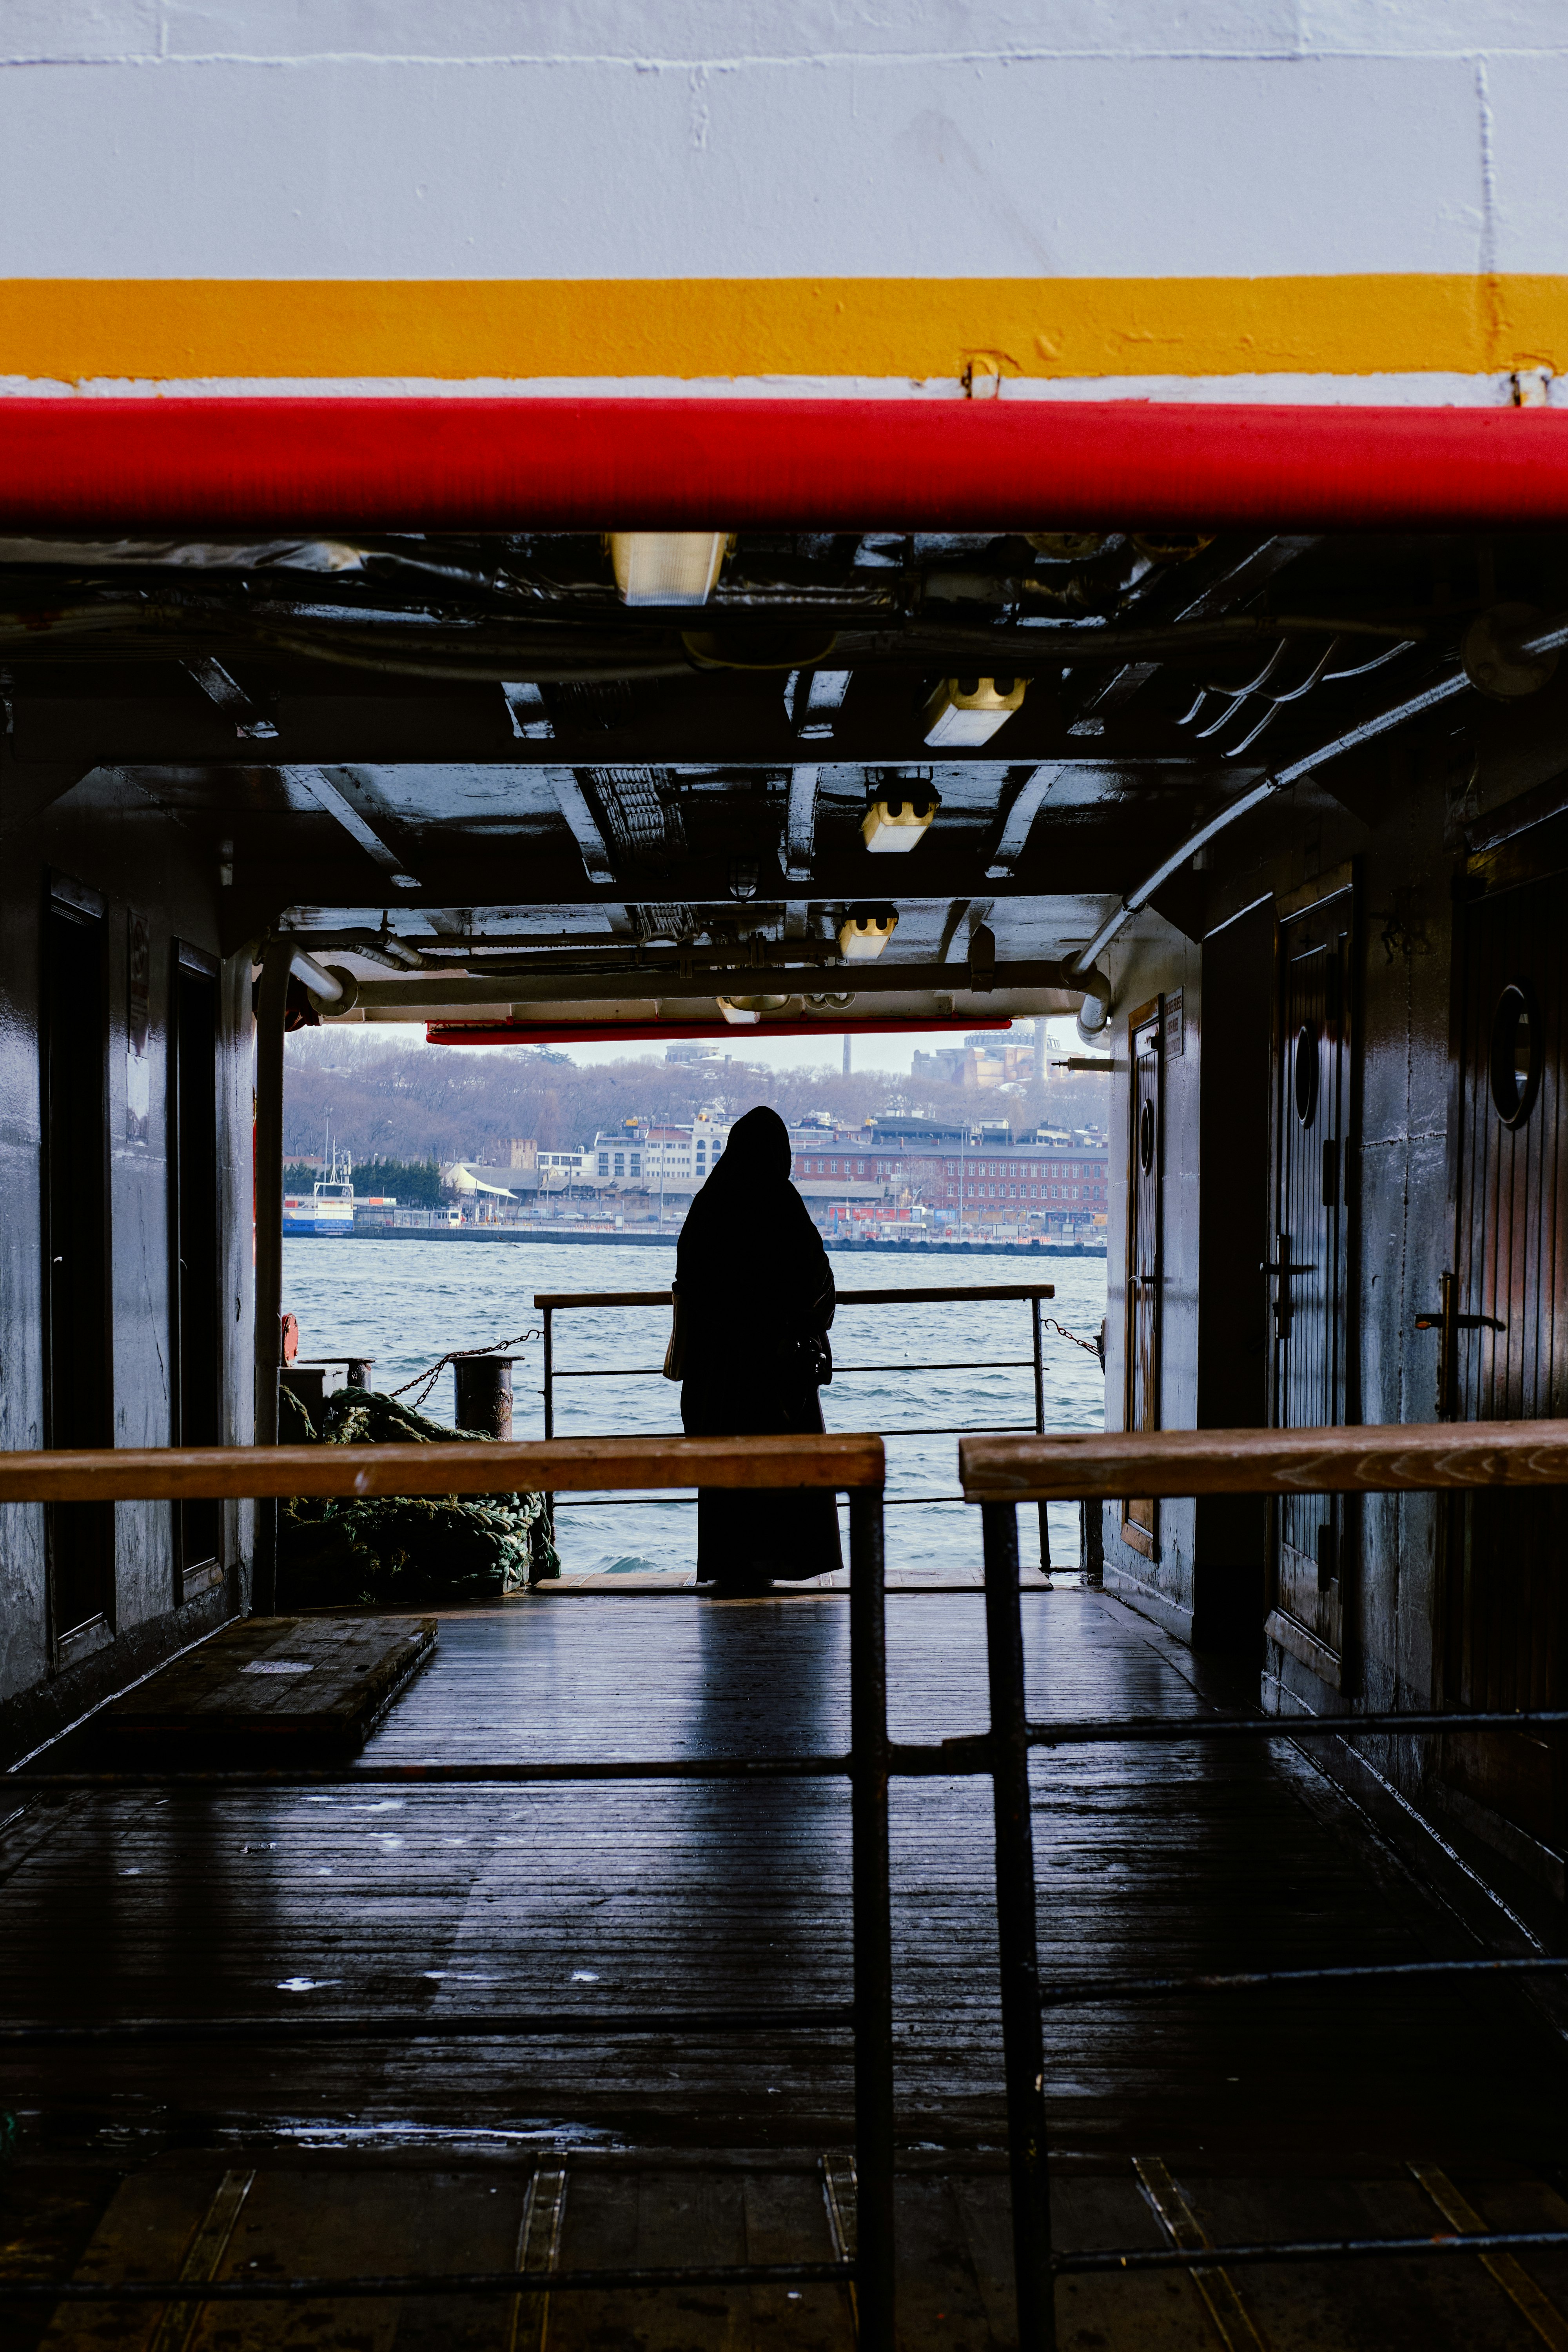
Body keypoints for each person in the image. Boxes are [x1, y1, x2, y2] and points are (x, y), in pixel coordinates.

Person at [676, 1104, 841, 1592]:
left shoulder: (710, 1201)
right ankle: (776, 1560)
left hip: (716, 1369)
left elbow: (690, 1279)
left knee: (726, 1471)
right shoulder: (779, 1200)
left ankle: (731, 1564)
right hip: (776, 1367)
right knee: (779, 1469)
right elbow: (815, 1281)